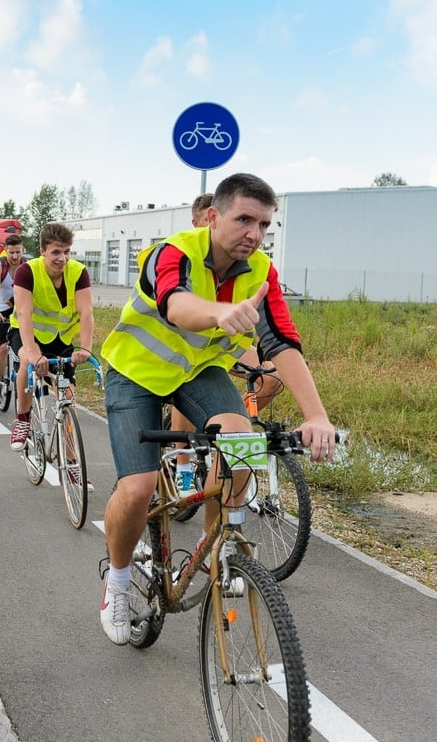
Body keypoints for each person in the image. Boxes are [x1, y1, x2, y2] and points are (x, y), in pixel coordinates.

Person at [99, 172, 336, 645]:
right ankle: (119, 584)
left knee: (242, 443)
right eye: (244, 219)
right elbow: (174, 303)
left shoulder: (260, 272)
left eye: (264, 224)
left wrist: (317, 416)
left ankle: (216, 554)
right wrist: (219, 313)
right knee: (139, 486)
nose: (254, 233)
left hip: (195, 372)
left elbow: (283, 342)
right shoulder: (175, 251)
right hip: (134, 372)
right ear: (213, 216)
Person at [172, 192, 282, 496]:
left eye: (262, 225)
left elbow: (266, 318)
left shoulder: (249, 262)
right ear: (206, 221)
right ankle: (183, 460)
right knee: (186, 380)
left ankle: (231, 432)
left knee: (271, 377)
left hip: (224, 344)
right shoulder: (183, 255)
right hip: (185, 349)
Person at [8, 223, 94, 454]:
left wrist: (85, 348)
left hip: (60, 339)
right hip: (26, 333)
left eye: (67, 251)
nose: (62, 258)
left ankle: (73, 466)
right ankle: (23, 420)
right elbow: (24, 314)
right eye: (56, 252)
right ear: (43, 250)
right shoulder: (27, 271)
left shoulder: (78, 272)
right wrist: (34, 354)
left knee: (68, 400)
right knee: (26, 360)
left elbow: (86, 312)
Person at [0, 234, 24, 409]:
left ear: (22, 250)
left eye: (18, 252)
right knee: (3, 348)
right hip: (1, 307)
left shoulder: (27, 266)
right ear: (5, 250)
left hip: (18, 308)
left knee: (23, 348)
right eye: (11, 252)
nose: (15, 256)